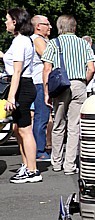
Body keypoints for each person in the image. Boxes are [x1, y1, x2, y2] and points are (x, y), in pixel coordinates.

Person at [41, 14, 95, 175]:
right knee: (74, 126)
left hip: (60, 86)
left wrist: (46, 92)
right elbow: (91, 68)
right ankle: (70, 165)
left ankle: (56, 162)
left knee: (58, 125)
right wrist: (82, 82)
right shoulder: (83, 43)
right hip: (79, 85)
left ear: (59, 28)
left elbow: (46, 69)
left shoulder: (53, 44)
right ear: (74, 27)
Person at [3, 8, 42, 183]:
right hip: (22, 86)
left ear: (15, 21)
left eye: (7, 19)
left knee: (25, 130)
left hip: (22, 87)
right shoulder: (21, 41)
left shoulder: (21, 42)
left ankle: (33, 170)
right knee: (18, 129)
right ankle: (27, 166)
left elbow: (17, 71)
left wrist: (11, 97)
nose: (5, 22)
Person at [30, 15, 52, 161]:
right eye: (47, 24)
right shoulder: (37, 39)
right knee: (41, 117)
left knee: (41, 117)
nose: (50, 27)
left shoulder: (39, 39)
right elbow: (48, 57)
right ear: (38, 26)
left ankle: (39, 149)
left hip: (38, 81)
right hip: (39, 81)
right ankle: (39, 151)